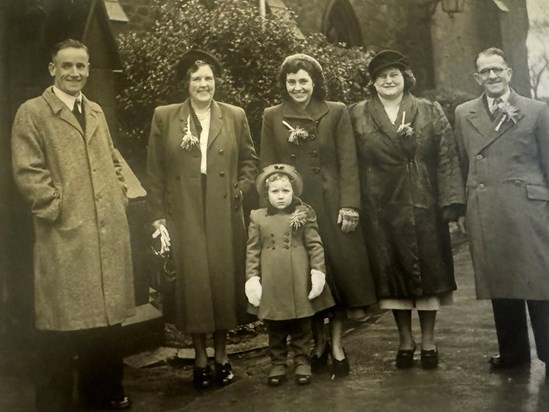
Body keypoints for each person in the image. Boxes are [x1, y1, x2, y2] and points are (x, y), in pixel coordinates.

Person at [11, 39, 134, 411]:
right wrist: (57, 208)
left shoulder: (94, 110)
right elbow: (27, 171)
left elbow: (112, 158)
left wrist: (121, 194)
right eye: (67, 66)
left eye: (81, 66)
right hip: (65, 234)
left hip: (105, 231)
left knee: (104, 322)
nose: (75, 73)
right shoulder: (32, 113)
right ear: (52, 69)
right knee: (60, 324)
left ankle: (104, 395)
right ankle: (54, 402)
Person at [146, 49, 258, 389]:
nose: (203, 84)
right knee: (194, 282)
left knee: (222, 280)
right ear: (187, 83)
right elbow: (155, 171)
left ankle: (222, 355)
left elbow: (250, 162)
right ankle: (199, 356)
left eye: (208, 78)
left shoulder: (234, 115)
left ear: (216, 82)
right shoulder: (166, 117)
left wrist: (240, 189)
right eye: (196, 79)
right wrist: (157, 216)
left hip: (224, 207)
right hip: (185, 210)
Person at [260, 53, 377, 378]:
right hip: (294, 209)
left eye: (304, 81)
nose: (298, 87)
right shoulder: (272, 115)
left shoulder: (336, 111)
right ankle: (318, 342)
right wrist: (276, 209)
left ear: (315, 83)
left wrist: (350, 205)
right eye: (292, 81)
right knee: (303, 275)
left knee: (336, 278)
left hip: (332, 207)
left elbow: (349, 161)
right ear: (285, 84)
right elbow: (268, 168)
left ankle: (336, 343)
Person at [349, 50, 466, 369]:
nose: (388, 81)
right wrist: (354, 203)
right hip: (381, 205)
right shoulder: (357, 113)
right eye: (381, 76)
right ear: (373, 83)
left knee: (429, 274)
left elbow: (446, 156)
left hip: (422, 201)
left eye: (394, 75)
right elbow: (352, 163)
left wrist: (451, 204)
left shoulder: (429, 110)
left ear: (405, 79)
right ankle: (404, 339)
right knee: (393, 276)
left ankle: (428, 340)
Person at [454, 47, 549, 371]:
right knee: (502, 281)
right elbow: (461, 162)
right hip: (486, 207)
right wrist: (461, 208)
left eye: (498, 69)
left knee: (539, 283)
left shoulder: (536, 111)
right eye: (486, 71)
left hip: (529, 209)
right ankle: (513, 354)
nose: (492, 76)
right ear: (477, 77)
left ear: (509, 72)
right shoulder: (464, 113)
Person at [245, 164, 335, 386]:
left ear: (293, 192)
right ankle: (277, 364)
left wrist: (317, 272)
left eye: (286, 190)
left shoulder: (303, 213)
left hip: (298, 277)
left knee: (301, 325)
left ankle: (302, 362)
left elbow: (315, 245)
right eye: (275, 191)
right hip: (273, 280)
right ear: (266, 194)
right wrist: (252, 278)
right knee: (275, 326)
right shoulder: (258, 217)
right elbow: (252, 251)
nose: (281, 196)